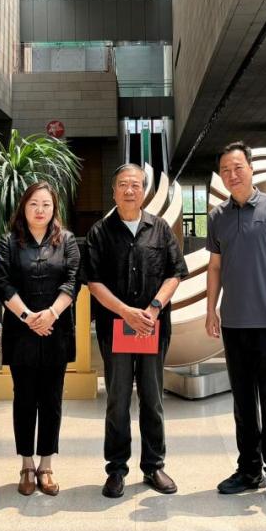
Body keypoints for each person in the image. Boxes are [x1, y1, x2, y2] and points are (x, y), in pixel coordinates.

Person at [85, 163, 188, 499]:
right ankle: (116, 469)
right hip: (116, 328)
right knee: (117, 401)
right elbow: (93, 282)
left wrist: (153, 308)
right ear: (113, 191)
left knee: (152, 399)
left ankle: (154, 466)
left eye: (135, 185)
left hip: (151, 328)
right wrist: (125, 312)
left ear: (143, 191)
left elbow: (175, 273)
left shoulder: (160, 229)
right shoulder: (100, 232)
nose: (129, 190)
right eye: (123, 184)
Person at [206, 141, 266, 505]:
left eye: (238, 167)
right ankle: (249, 470)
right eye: (225, 170)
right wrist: (211, 309)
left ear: (251, 168)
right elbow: (215, 267)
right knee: (243, 404)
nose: (232, 174)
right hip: (234, 324)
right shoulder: (217, 216)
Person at [0, 182, 80, 497]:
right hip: (21, 333)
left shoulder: (67, 240)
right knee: (25, 398)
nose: (40, 210)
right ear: (23, 207)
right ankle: (27, 464)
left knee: (52, 399)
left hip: (56, 331)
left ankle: (46, 465)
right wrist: (28, 317)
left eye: (46, 204)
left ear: (54, 208)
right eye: (33, 204)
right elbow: (2, 282)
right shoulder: (8, 242)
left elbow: (72, 281)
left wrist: (51, 315)